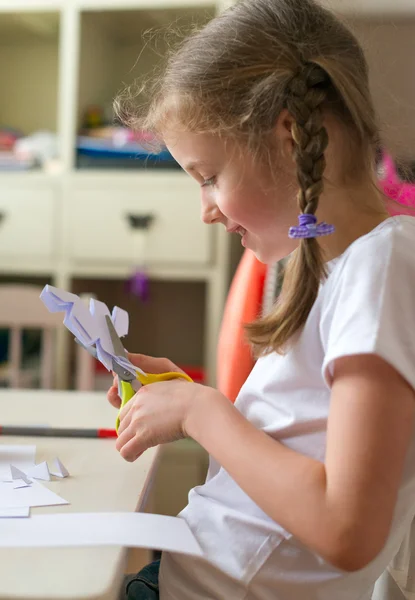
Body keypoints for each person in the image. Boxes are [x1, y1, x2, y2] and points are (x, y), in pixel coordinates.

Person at [108, 1, 415, 598]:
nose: (206, 210)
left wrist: (204, 412)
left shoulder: (384, 265)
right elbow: (302, 446)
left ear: (291, 135)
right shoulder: (338, 267)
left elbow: (347, 529)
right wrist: (195, 406)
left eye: (208, 176)